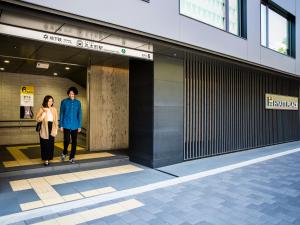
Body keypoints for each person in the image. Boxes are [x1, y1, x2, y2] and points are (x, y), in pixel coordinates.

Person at [59, 87, 82, 163]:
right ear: (68, 94)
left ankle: (72, 157)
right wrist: (61, 125)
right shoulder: (64, 102)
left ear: (75, 94)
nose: (71, 95)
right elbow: (61, 113)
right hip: (66, 124)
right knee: (67, 140)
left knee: (74, 142)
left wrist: (79, 126)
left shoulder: (78, 103)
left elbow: (80, 114)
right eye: (70, 93)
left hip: (75, 125)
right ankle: (65, 152)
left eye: (73, 93)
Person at [36, 95, 58, 166]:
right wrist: (43, 114)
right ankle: (45, 159)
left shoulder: (54, 109)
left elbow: (56, 120)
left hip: (52, 127)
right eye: (49, 101)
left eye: (52, 101)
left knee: (51, 144)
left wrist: (56, 129)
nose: (50, 102)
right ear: (46, 101)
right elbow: (37, 119)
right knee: (44, 144)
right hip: (44, 128)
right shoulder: (42, 109)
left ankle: (49, 158)